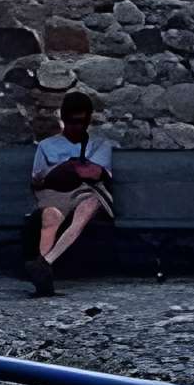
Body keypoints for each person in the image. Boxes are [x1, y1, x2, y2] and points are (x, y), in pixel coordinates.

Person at [23, 92, 116, 295]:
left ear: (89, 119)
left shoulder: (100, 145)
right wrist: (59, 173)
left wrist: (75, 170)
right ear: (64, 120)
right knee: (50, 216)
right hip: (56, 192)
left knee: (88, 206)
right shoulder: (47, 146)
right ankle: (44, 278)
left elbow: (96, 174)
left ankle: (44, 263)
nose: (78, 127)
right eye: (72, 122)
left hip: (88, 191)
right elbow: (38, 181)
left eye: (82, 121)